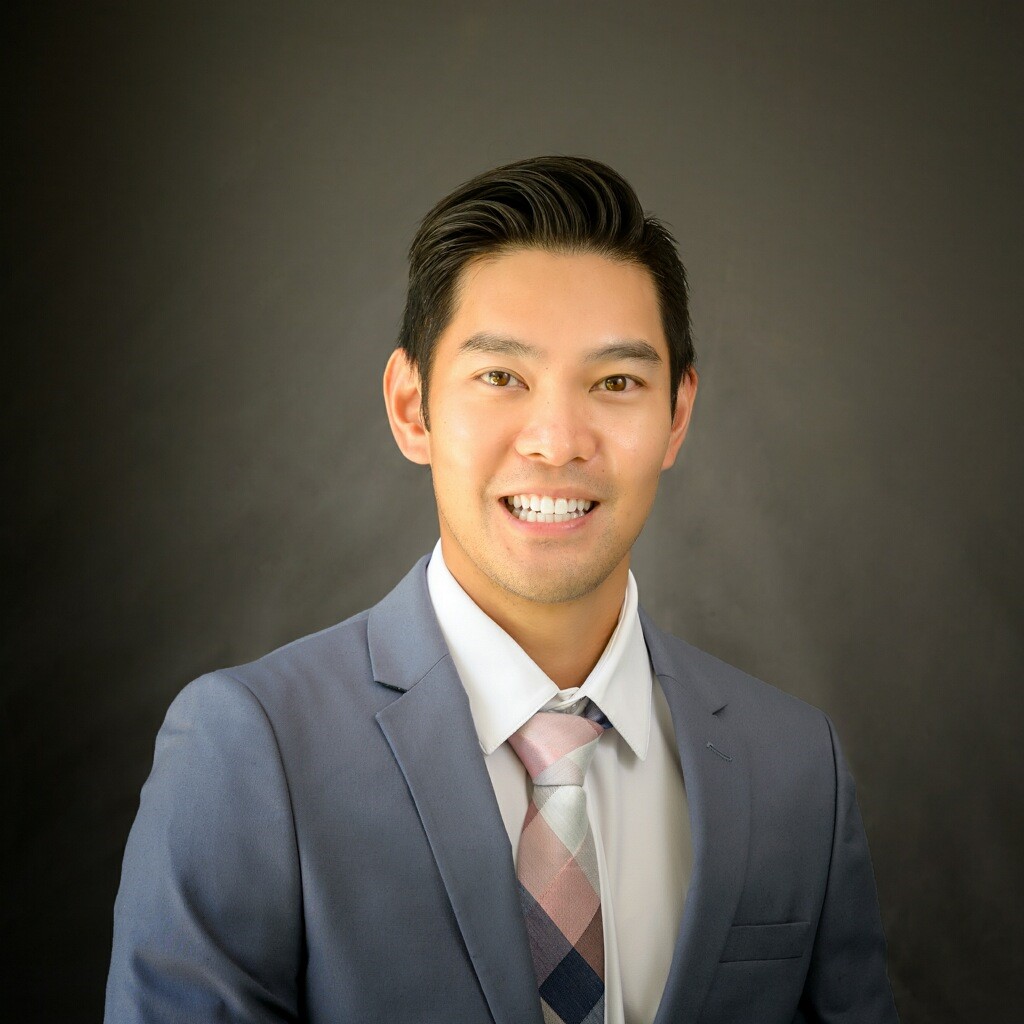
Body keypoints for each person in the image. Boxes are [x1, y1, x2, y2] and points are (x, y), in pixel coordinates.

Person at [105, 156, 899, 1024]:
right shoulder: (249, 750)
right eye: (501, 377)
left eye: (617, 382)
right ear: (411, 407)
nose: (558, 441)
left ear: (676, 416)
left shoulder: (795, 765)